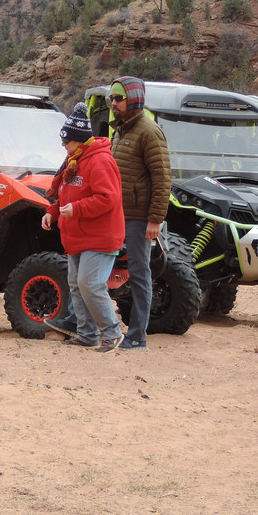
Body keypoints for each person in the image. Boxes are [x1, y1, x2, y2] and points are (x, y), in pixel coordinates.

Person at [41, 103, 126, 353]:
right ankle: (87, 334)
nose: (63, 146)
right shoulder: (74, 159)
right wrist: (53, 211)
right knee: (77, 285)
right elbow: (67, 192)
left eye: (66, 141)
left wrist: (76, 209)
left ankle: (111, 332)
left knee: (90, 284)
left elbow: (108, 198)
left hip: (100, 237)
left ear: (78, 140)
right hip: (78, 236)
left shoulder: (99, 161)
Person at [109, 76, 171, 351]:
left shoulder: (149, 131)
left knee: (138, 274)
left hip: (139, 218)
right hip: (116, 215)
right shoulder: (120, 130)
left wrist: (155, 219)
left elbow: (162, 179)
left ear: (133, 99)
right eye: (112, 98)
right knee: (102, 268)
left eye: (118, 98)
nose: (113, 103)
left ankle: (137, 336)